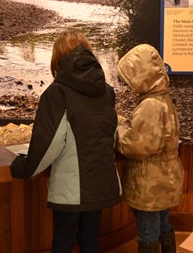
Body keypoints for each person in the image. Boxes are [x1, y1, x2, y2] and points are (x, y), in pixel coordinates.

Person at [10, 30, 121, 253]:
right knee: (90, 240)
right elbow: (111, 134)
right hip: (100, 183)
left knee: (63, 241)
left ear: (58, 57)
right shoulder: (106, 91)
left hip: (72, 188)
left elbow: (49, 145)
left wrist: (23, 167)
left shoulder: (57, 94)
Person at [115, 44, 184, 253]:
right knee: (163, 224)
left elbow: (138, 146)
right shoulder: (163, 98)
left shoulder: (149, 105)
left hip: (149, 181)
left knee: (147, 230)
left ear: (140, 75)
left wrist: (119, 132)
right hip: (166, 176)